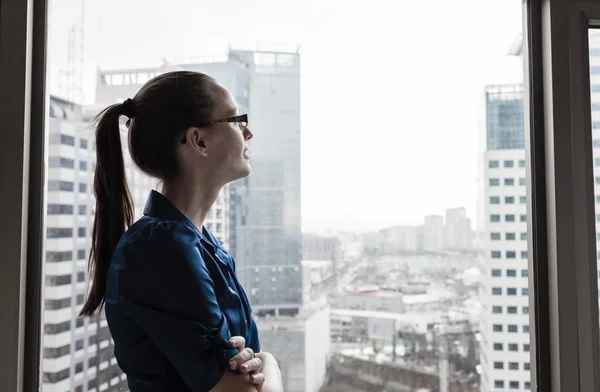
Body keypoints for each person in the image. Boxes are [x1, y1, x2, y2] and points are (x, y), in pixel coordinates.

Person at [79, 71, 283, 392]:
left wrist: (259, 365)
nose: (249, 132)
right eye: (235, 120)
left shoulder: (201, 244)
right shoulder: (162, 247)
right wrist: (269, 361)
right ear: (198, 141)